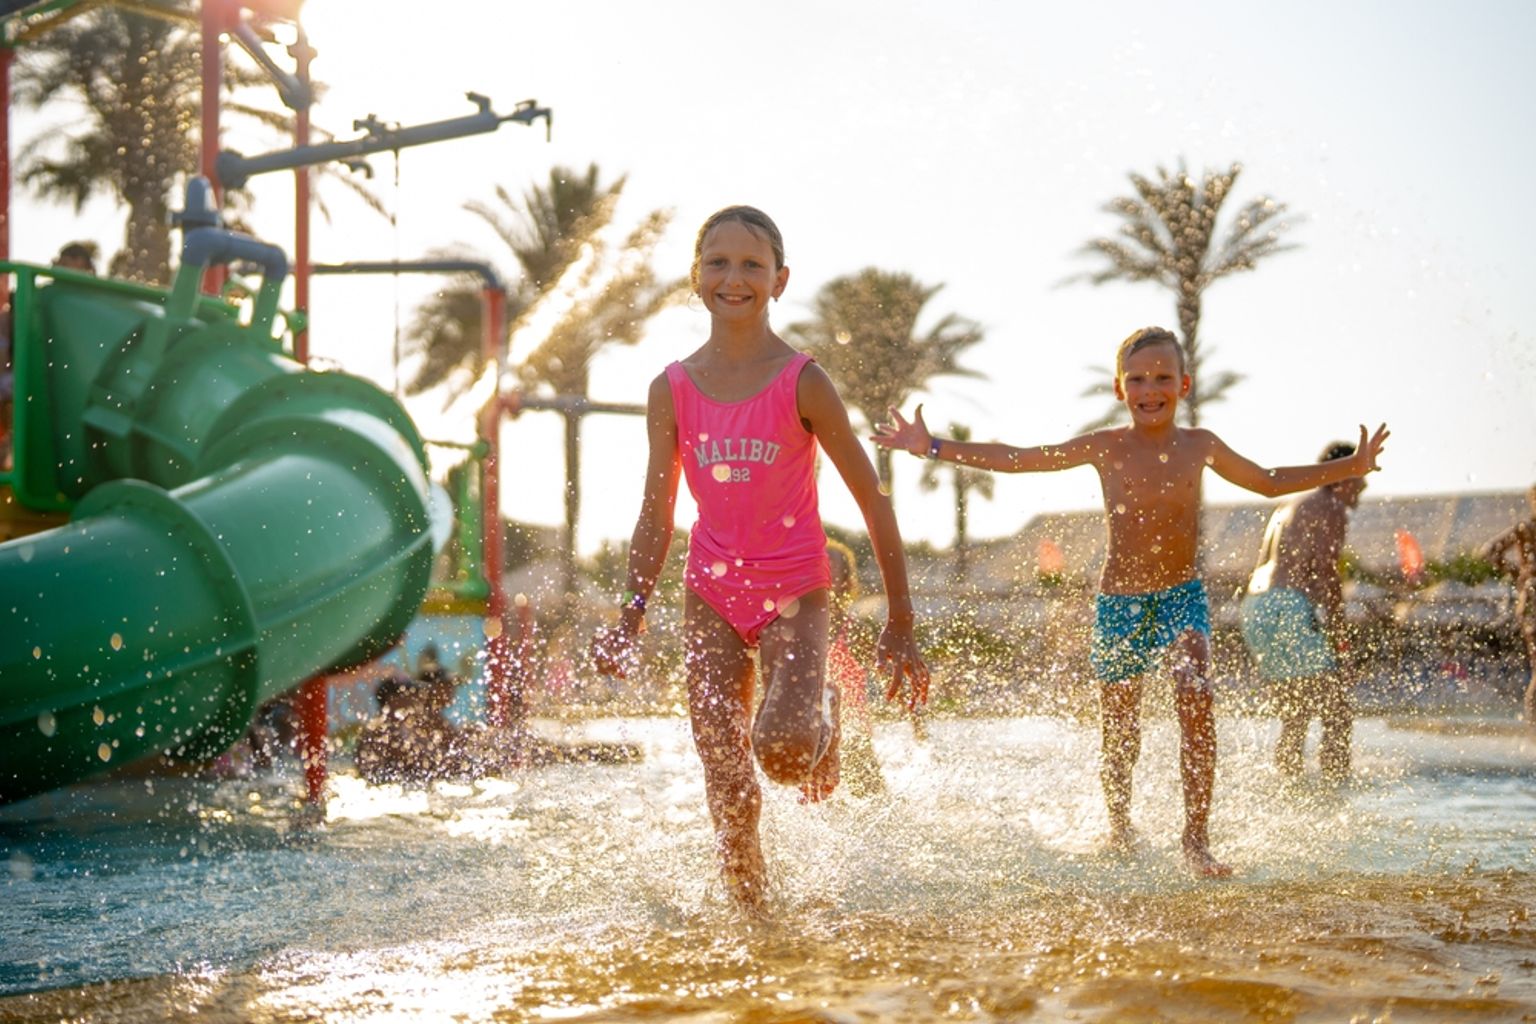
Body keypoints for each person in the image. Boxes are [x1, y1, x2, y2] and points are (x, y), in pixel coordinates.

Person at [873, 326, 1387, 876]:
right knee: (1120, 731)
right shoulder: (1106, 446)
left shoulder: (1201, 445)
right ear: (1119, 388)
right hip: (1119, 604)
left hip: (1182, 597)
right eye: (1137, 379)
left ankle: (1196, 840)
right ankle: (1119, 826)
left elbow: (1266, 480)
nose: (1150, 389)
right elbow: (1022, 458)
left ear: (1184, 384)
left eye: (1163, 377)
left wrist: (1350, 466)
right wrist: (932, 446)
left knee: (1195, 693)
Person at [591, 205, 928, 913]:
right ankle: (756, 925)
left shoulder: (802, 381)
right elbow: (656, 513)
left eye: (752, 265)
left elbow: (872, 500)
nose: (734, 278)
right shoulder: (672, 389)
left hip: (796, 588)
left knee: (780, 752)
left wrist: (900, 617)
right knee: (728, 781)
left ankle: (824, 708)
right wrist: (631, 612)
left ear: (780, 280)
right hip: (710, 591)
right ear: (696, 277)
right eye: (718, 263)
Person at [1240, 442, 1367, 782]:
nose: (1364, 485)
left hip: (1255, 607)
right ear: (1344, 476)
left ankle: (1291, 788)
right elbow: (1327, 572)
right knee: (1338, 710)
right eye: (1360, 476)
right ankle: (1336, 789)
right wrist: (1341, 640)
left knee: (1295, 714)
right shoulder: (1331, 507)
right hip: (1288, 606)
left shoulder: (1291, 504)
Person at [824, 538, 887, 798]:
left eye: (831, 569)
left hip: (853, 732)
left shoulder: (855, 631)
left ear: (847, 582)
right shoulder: (794, 630)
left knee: (873, 799)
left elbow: (884, 673)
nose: (823, 574)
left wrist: (916, 724)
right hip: (816, 731)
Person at [355, 648, 469, 786]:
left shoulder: (404, 725)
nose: (415, 696)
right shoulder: (383, 730)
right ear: (394, 699)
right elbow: (416, 761)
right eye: (410, 692)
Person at [1483, 484, 1536, 726]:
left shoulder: (1525, 529)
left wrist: (1519, 574)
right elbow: (1489, 551)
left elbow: (1489, 552)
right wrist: (1521, 573)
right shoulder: (1525, 528)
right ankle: (1533, 727)